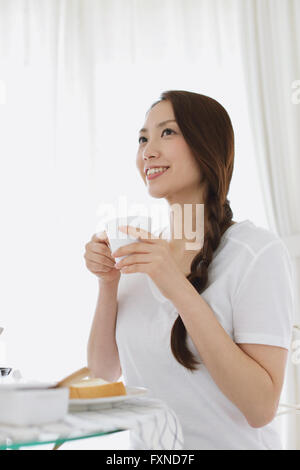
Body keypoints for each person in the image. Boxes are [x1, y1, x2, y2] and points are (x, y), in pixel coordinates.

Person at [84, 90, 294, 450]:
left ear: (206, 146)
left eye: (167, 133)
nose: (148, 151)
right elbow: (103, 374)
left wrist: (176, 286)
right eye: (142, 138)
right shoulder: (140, 252)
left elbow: (260, 408)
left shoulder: (256, 253)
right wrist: (108, 283)